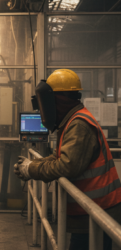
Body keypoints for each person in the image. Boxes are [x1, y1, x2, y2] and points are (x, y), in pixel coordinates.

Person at [14, 69, 121, 250]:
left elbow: (66, 166)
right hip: (91, 211)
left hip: (97, 213)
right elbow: (59, 157)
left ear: (58, 100)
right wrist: (32, 165)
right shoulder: (72, 120)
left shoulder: (79, 124)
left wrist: (31, 170)